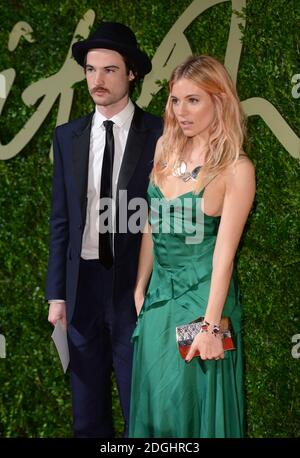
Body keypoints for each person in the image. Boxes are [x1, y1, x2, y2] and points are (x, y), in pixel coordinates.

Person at [45, 22, 162, 438]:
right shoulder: (67, 137)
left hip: (134, 287)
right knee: (87, 413)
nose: (98, 79)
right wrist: (56, 294)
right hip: (82, 288)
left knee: (141, 407)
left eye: (110, 69)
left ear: (132, 73)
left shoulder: (160, 134)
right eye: (91, 70)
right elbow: (61, 220)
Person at [129, 55, 256, 438]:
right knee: (156, 408)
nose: (181, 111)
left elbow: (224, 255)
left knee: (190, 409)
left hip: (202, 302)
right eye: (175, 100)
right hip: (157, 303)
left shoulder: (236, 168)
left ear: (219, 100)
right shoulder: (165, 151)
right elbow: (152, 223)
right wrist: (140, 288)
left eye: (193, 100)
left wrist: (211, 326)